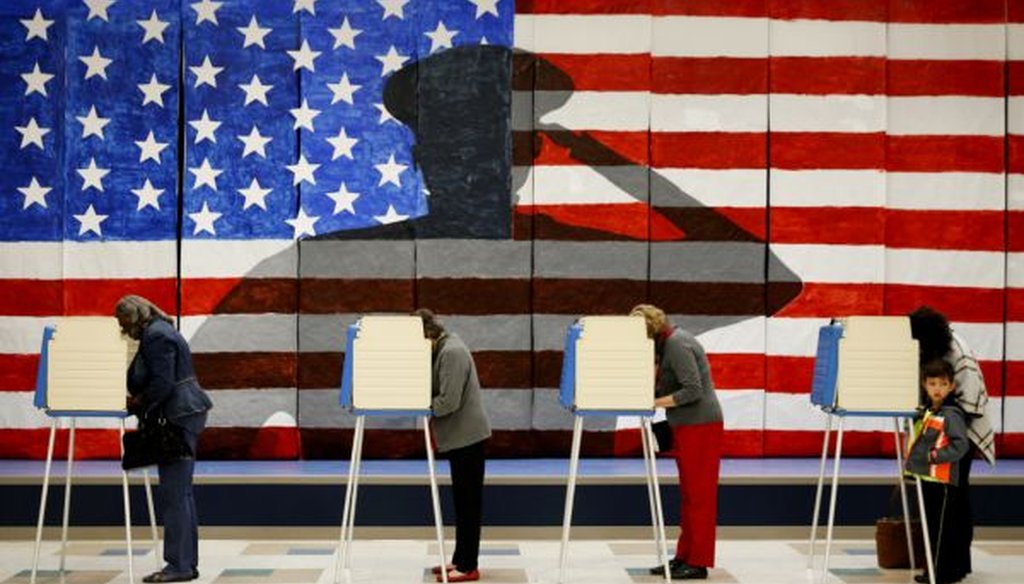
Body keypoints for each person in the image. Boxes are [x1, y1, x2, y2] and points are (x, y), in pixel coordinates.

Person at [115, 295, 212, 583]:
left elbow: (162, 383)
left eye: (123, 324)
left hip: (178, 415)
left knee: (174, 494)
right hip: (186, 412)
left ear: (134, 318)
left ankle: (178, 566)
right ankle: (186, 563)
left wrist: (138, 404)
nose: (123, 331)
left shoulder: (156, 336)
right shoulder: (162, 330)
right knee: (181, 493)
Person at [632, 304, 723, 580]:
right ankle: (684, 556)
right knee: (689, 496)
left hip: (701, 426)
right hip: (687, 425)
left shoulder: (677, 344)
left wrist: (653, 402)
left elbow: (692, 390)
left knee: (700, 497)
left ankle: (699, 562)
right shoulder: (667, 344)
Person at [909, 305, 996, 581]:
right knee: (956, 501)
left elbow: (967, 401)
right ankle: (957, 565)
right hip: (952, 425)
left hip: (958, 427)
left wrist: (936, 451)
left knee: (947, 505)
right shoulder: (943, 341)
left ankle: (944, 569)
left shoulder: (954, 351)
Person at [415, 309, 492, 583]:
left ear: (428, 335)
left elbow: (448, 401)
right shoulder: (444, 349)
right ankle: (460, 559)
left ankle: (469, 565)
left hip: (468, 438)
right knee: (462, 502)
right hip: (460, 438)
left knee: (469, 503)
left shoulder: (452, 353)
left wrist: (419, 406)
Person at [906, 359, 972, 584]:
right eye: (932, 383)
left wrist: (934, 456)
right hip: (929, 478)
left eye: (942, 384)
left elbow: (960, 445)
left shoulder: (950, 414)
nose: (937, 388)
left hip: (942, 480)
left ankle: (941, 573)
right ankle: (936, 570)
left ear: (951, 386)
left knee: (942, 529)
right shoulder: (929, 411)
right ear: (924, 384)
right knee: (933, 527)